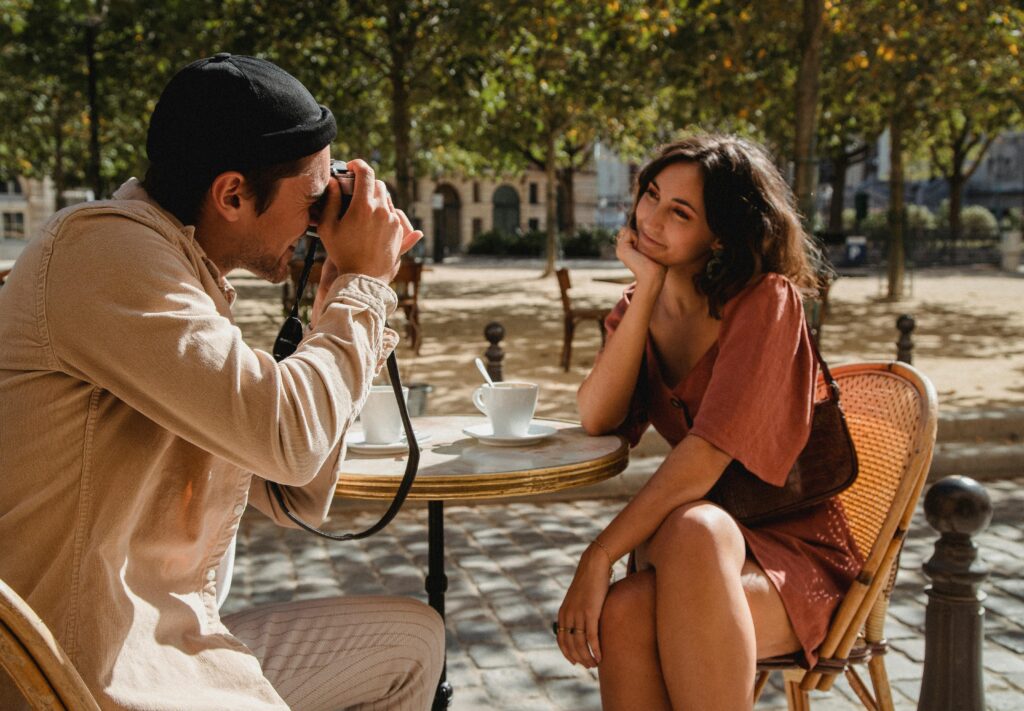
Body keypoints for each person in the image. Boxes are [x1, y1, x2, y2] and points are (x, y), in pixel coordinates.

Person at [0, 54, 444, 710]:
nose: (321, 220)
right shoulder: (103, 252)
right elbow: (289, 439)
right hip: (87, 677)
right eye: (315, 196)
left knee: (413, 642)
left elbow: (297, 490)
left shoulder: (179, 270)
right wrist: (363, 287)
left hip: (177, 643)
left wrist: (337, 304)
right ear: (232, 194)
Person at [555, 134, 864, 710]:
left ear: (719, 232)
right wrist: (645, 292)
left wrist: (598, 555)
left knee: (695, 525)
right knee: (629, 604)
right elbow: (597, 416)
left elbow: (705, 455)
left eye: (680, 212)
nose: (652, 218)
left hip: (797, 557)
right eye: (651, 195)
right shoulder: (637, 308)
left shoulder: (765, 301)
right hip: (694, 550)